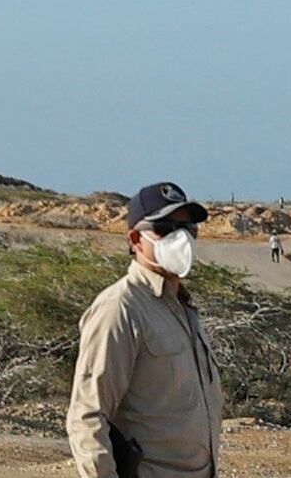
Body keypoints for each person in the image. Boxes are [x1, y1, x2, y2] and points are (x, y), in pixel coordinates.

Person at [71, 181, 223, 478]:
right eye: (165, 229)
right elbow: (87, 415)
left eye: (189, 229)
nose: (182, 239)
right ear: (135, 239)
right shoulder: (120, 308)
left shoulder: (182, 308)